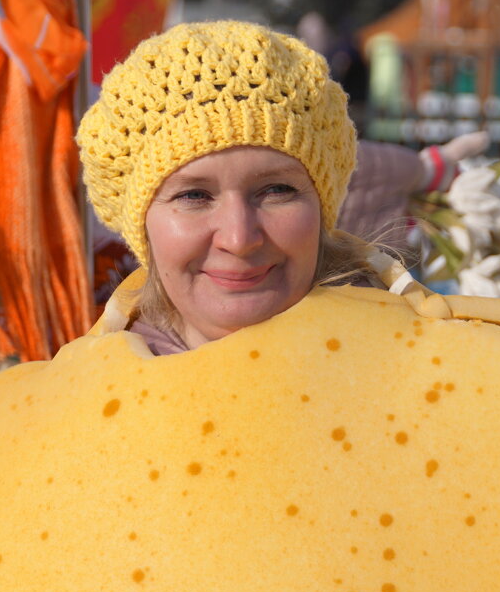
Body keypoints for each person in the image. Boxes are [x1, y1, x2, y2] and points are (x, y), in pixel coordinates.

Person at [78, 20, 404, 355]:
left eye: (277, 190)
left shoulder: (424, 374)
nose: (239, 240)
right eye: (194, 195)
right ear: (141, 227)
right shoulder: (86, 399)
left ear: (323, 206)